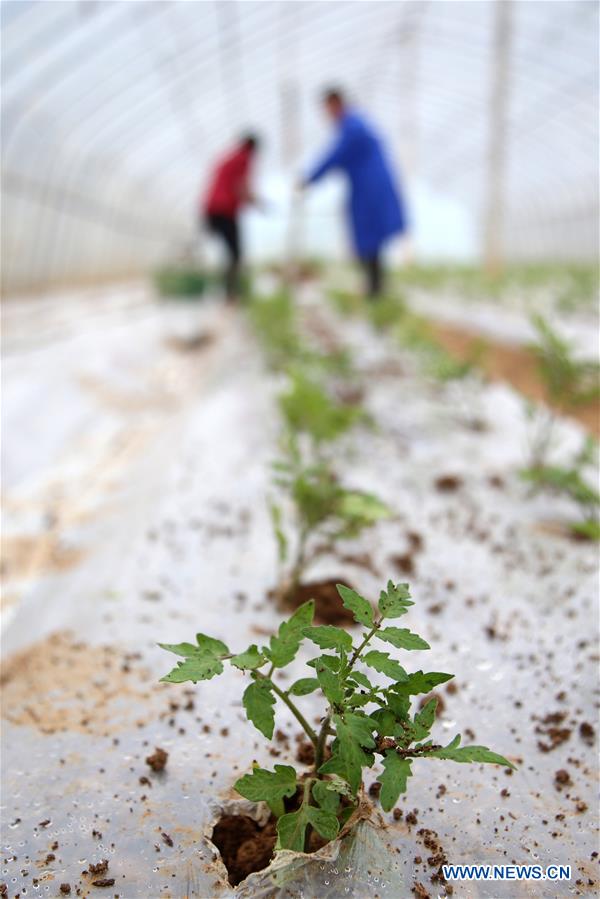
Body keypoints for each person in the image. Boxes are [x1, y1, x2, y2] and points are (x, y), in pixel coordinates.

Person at [300, 88, 407, 298]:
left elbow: (334, 156)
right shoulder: (353, 124)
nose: (327, 114)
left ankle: (375, 288)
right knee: (369, 237)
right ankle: (374, 286)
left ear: (336, 103)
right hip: (366, 185)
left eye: (328, 108)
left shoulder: (353, 126)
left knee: (369, 234)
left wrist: (309, 178)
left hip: (370, 187)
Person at [203, 133, 260, 302]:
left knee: (229, 253)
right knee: (235, 253)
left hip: (211, 210)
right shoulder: (243, 158)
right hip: (224, 210)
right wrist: (256, 202)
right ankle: (231, 293)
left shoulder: (229, 157)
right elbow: (241, 186)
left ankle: (229, 292)